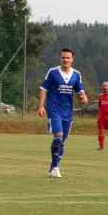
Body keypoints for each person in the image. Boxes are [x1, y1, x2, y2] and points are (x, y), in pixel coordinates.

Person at [38, 48, 88, 178]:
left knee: (62, 141)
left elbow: (79, 89)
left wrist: (83, 96)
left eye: (68, 58)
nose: (65, 60)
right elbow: (44, 89)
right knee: (58, 137)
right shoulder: (53, 72)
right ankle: (55, 168)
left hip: (67, 111)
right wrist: (41, 106)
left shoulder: (76, 74)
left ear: (72, 59)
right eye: (63, 57)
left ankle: (52, 168)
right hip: (54, 109)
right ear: (60, 58)